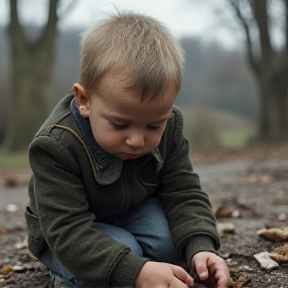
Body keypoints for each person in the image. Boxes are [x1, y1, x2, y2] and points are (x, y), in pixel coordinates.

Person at [25, 10, 230, 288]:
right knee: (124, 257)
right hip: (66, 235)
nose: (137, 140)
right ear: (85, 100)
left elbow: (183, 191)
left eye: (153, 126)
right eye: (120, 125)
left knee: (173, 248)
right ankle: (66, 276)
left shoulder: (171, 125)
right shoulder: (54, 145)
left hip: (134, 212)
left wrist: (201, 246)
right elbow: (66, 230)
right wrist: (136, 271)